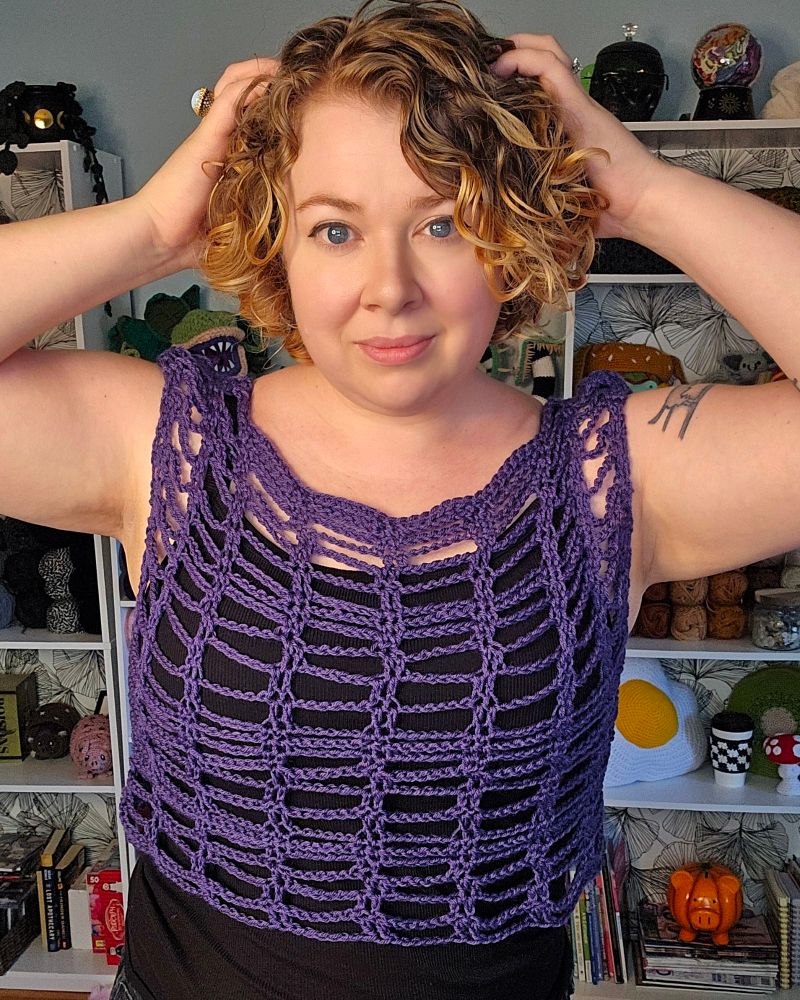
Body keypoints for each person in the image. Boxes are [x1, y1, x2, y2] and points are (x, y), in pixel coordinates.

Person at [1, 1, 799, 997]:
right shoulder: (170, 446)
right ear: (275, 241)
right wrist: (150, 230)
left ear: (506, 233)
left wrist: (643, 194)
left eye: (442, 223)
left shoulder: (611, 481)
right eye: (334, 227)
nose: (389, 286)